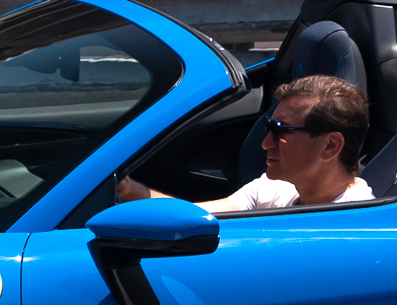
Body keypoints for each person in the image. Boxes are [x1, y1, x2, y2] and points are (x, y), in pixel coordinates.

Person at [118, 76, 375, 211]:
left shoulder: (353, 225)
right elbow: (194, 217)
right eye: (267, 128)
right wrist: (128, 189)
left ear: (330, 146)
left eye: (279, 131)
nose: (265, 143)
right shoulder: (273, 190)